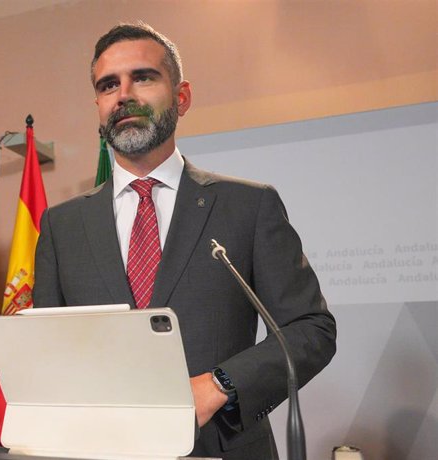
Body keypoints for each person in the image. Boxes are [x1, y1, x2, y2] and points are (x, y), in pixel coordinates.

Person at [33, 22, 336, 459]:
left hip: (221, 445)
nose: (124, 95)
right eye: (108, 85)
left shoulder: (248, 206)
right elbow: (49, 349)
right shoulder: (61, 225)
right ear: (99, 105)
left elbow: (312, 329)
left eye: (143, 77)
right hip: (99, 449)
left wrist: (220, 385)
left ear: (182, 96)